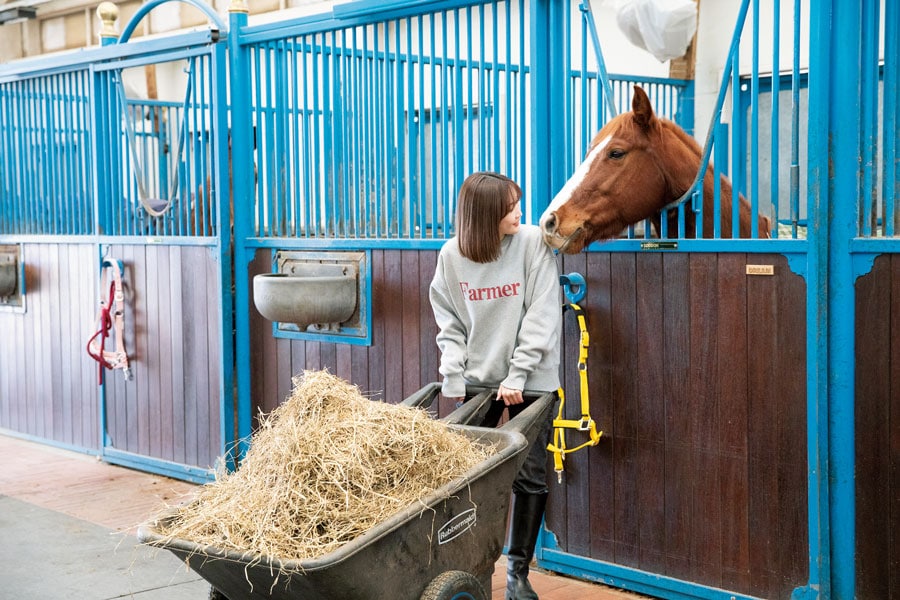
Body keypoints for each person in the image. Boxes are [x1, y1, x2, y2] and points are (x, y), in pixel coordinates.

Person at [429, 171, 561, 600]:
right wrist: (454, 372)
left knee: (530, 475)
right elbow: (447, 318)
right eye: (509, 207)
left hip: (533, 381)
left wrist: (518, 374)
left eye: (517, 203)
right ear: (485, 215)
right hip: (478, 381)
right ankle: (472, 567)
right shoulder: (452, 255)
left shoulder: (532, 244)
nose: (519, 212)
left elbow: (541, 315)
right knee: (469, 477)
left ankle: (518, 573)